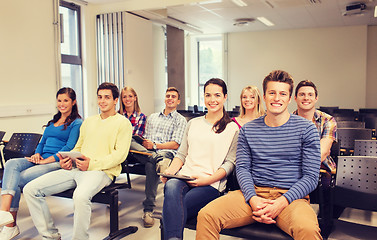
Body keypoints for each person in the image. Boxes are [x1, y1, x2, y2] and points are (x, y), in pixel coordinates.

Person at [196, 70, 322, 240]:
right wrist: (253, 199)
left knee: (307, 229)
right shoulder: (248, 130)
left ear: (289, 98)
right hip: (252, 194)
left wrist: (281, 202)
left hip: (291, 198)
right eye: (272, 93)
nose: (277, 98)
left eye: (282, 93)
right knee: (206, 215)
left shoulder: (307, 129)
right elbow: (242, 169)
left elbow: (311, 177)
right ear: (264, 96)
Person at [23, 82, 132, 240]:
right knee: (30, 189)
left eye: (107, 97)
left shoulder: (123, 123)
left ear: (115, 100)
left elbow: (119, 155)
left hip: (102, 172)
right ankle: (51, 236)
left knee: (80, 196)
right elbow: (79, 146)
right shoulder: (89, 121)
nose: (102, 101)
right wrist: (68, 159)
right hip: (77, 169)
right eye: (100, 97)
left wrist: (92, 164)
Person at [161, 78, 239, 240]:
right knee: (172, 186)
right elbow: (181, 155)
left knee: (172, 210)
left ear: (225, 97)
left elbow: (230, 164)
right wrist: (170, 171)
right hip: (185, 176)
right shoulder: (193, 123)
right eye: (208, 95)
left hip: (211, 184)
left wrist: (206, 180)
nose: (212, 100)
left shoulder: (232, 128)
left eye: (217, 95)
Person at [0, 87, 82, 240]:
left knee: (17, 180)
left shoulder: (76, 123)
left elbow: (68, 148)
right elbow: (42, 141)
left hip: (56, 163)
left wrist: (45, 161)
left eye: (66, 100)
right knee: (11, 164)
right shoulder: (53, 121)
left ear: (73, 102)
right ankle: (4, 214)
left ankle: (10, 227)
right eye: (59, 100)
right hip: (41, 159)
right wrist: (37, 154)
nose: (62, 104)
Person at [131, 87, 187, 228]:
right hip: (149, 152)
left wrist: (155, 145)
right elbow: (147, 140)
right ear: (164, 98)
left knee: (151, 163)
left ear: (178, 101)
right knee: (130, 140)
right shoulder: (152, 117)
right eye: (168, 95)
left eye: (173, 96)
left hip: (166, 153)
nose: (170, 98)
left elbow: (175, 145)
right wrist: (145, 143)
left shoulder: (181, 120)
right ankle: (149, 210)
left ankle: (148, 210)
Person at [293, 80, 337, 171]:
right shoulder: (287, 120)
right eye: (302, 94)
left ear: (316, 98)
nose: (306, 98)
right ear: (295, 98)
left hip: (322, 170)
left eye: (310, 95)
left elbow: (322, 153)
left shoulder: (328, 120)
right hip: (292, 171)